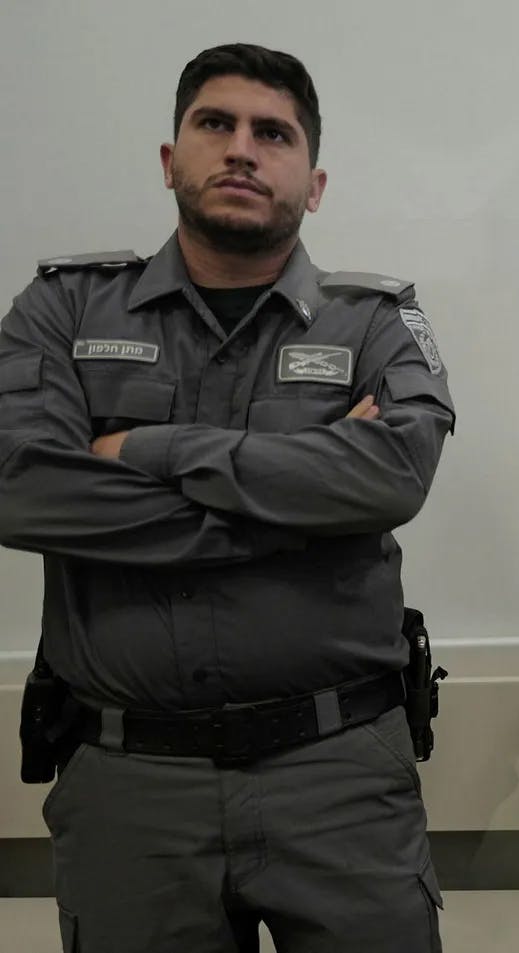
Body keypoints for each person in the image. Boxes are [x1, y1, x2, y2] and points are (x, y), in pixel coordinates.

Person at [0, 43, 455, 952]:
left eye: (272, 133)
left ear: (313, 181)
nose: (242, 149)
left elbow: (391, 475)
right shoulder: (63, 310)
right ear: (171, 161)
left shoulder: (376, 322)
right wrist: (298, 511)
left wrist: (148, 449)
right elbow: (21, 488)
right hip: (132, 788)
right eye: (216, 124)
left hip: (338, 780)